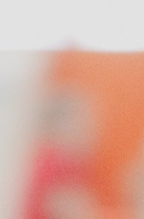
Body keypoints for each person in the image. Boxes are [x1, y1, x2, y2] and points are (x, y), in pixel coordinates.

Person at [22, 87, 100, 219]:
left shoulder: (66, 161)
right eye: (81, 122)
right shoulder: (53, 161)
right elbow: (70, 210)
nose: (89, 129)